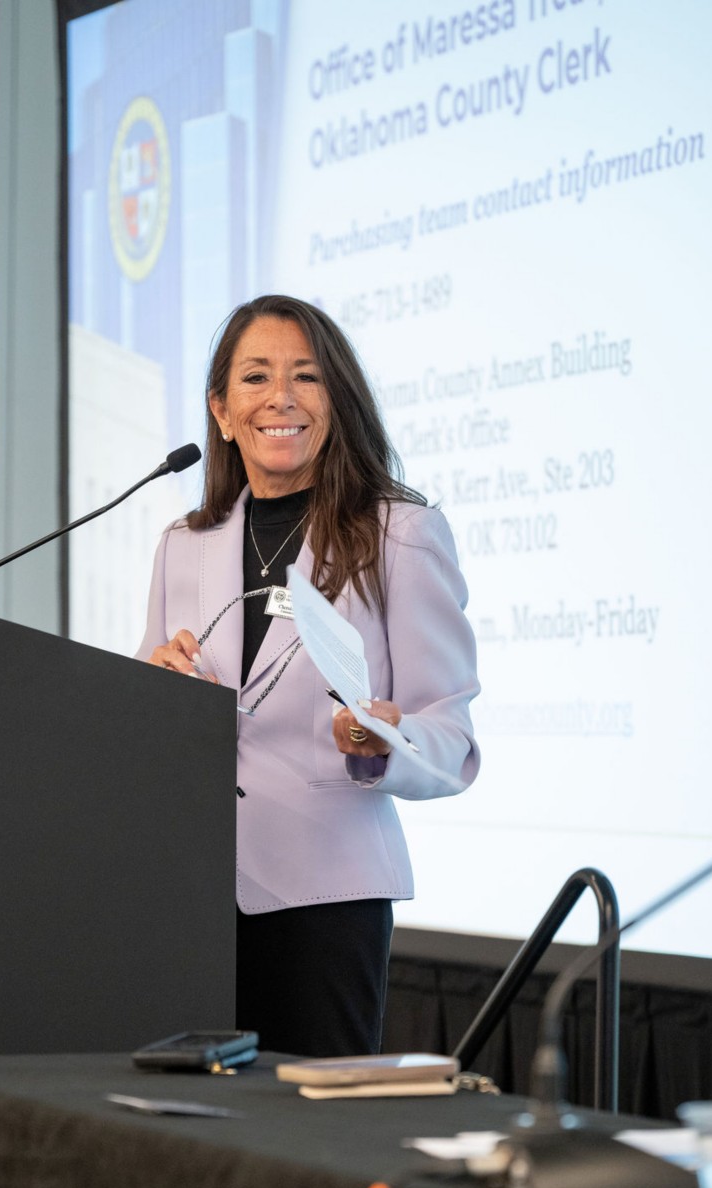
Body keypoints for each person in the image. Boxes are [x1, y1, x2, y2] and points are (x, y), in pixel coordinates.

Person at [136, 294, 479, 1057]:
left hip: (326, 899)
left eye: (307, 377)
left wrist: (381, 737)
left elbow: (450, 736)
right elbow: (148, 709)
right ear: (222, 411)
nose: (281, 398)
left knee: (309, 1117)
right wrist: (153, 692)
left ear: (337, 400)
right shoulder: (182, 545)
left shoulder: (400, 534)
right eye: (256, 377)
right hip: (187, 898)